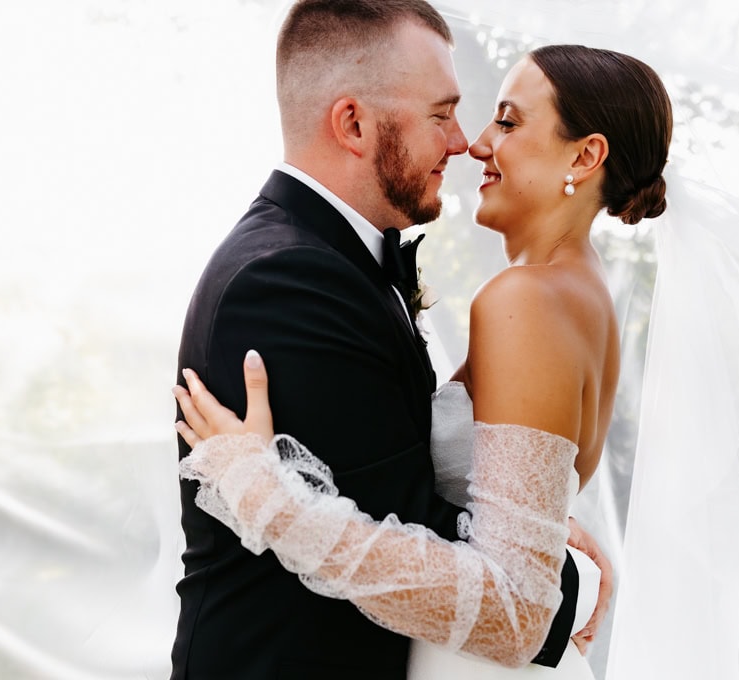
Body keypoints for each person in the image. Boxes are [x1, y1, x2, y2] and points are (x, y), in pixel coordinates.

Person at [174, 43, 673, 679]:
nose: (478, 144)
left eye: (509, 121)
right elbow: (510, 512)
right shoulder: (578, 292)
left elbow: (518, 607)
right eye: (464, 117)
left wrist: (266, 499)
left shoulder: (528, 299)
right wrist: (547, 540)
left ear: (585, 155)